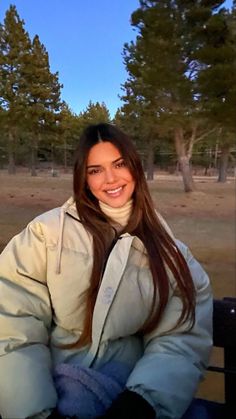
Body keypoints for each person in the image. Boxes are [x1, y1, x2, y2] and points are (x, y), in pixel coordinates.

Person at [0, 123, 212, 419]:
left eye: (119, 164)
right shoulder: (45, 235)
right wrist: (34, 409)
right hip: (48, 389)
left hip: (127, 391)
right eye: (95, 169)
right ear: (83, 178)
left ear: (135, 167)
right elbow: (12, 325)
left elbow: (181, 339)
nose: (110, 179)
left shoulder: (172, 255)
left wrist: (142, 404)